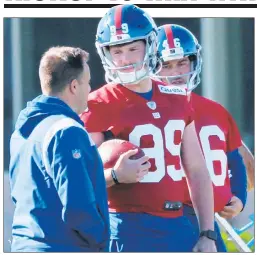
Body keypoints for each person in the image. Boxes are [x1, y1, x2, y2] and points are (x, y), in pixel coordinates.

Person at [81, 4, 216, 252]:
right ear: (106, 53)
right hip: (125, 227)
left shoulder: (178, 96)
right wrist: (115, 176)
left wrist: (208, 232)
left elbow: (197, 170)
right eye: (117, 51)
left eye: (133, 48)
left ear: (152, 45)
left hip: (179, 224)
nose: (125, 59)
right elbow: (80, 179)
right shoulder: (96, 103)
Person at [155, 24, 251, 251]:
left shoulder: (215, 110)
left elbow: (236, 160)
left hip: (210, 221)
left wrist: (238, 197)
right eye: (166, 65)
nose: (177, 72)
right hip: (163, 220)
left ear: (194, 61)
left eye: (182, 63)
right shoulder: (144, 111)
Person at [9, 46, 110, 252]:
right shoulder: (67, 130)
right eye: (88, 82)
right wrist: (102, 241)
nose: (90, 89)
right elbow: (78, 207)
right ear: (74, 86)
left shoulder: (21, 132)